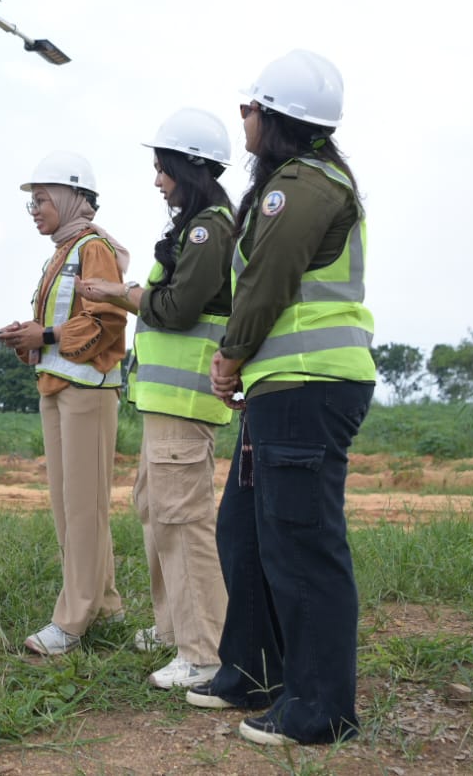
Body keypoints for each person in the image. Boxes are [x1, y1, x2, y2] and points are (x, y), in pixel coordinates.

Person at [186, 50, 376, 748]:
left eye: (249, 106)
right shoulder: (294, 183)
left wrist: (229, 358)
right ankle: (253, 671)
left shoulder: (300, 186)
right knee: (245, 533)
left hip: (308, 386)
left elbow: (266, 282)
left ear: (275, 117)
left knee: (302, 546)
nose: (242, 115)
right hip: (284, 389)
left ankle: (320, 709)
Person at [78, 108, 236, 692]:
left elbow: (175, 308)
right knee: (155, 510)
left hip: (185, 403)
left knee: (182, 519)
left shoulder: (207, 229)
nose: (156, 181)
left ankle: (205, 653)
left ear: (188, 168)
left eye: (162, 169)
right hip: (167, 403)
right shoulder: (198, 226)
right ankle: (175, 628)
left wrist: (120, 292)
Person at [0, 151, 131, 656]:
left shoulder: (91, 248)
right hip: (58, 387)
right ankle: (106, 605)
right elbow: (67, 326)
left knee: (83, 508)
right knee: (71, 507)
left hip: (87, 393)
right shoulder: (62, 250)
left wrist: (46, 332)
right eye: (31, 202)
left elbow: (107, 322)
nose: (34, 209)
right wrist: (33, 340)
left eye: (42, 199)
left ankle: (72, 621)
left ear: (73, 197)